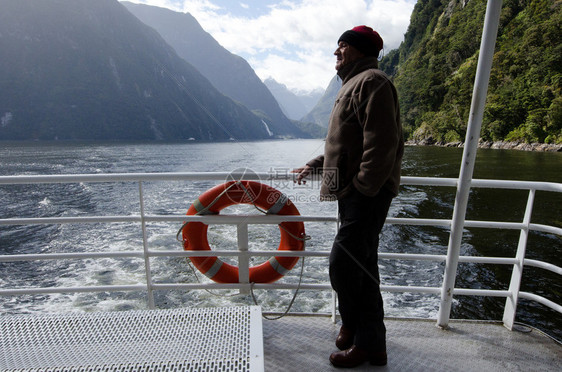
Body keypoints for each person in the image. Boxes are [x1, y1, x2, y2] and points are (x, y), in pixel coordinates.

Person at [293, 25, 403, 368]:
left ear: (356, 50)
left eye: (341, 47)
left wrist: (363, 187)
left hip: (365, 195)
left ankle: (364, 339)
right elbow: (347, 145)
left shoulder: (373, 82)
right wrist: (316, 164)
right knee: (361, 267)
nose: (336, 53)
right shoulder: (353, 84)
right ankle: (365, 336)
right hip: (354, 193)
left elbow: (383, 144)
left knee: (343, 264)